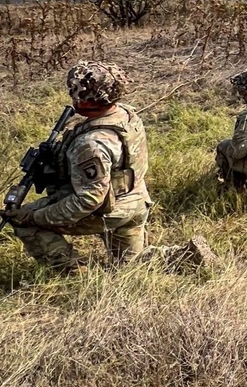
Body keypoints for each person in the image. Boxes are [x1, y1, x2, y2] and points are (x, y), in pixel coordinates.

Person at [2, 61, 151, 271]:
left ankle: (74, 272)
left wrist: (34, 216)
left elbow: (88, 200)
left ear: (86, 98)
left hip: (108, 211)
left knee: (24, 223)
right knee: (131, 268)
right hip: (135, 201)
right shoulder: (125, 114)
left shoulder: (90, 144)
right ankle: (183, 255)